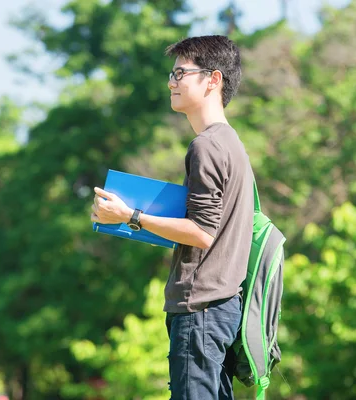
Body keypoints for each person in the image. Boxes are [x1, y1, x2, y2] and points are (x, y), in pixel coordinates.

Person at [90, 35, 253, 399]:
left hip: (201, 310)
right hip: (220, 308)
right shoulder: (231, 144)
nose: (171, 82)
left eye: (181, 73)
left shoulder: (207, 145)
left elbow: (203, 232)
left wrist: (130, 215)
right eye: (172, 73)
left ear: (213, 79)